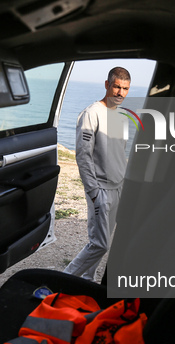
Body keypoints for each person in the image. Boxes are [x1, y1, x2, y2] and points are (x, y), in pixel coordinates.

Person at [63, 67, 131, 281]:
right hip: (100, 189)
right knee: (100, 244)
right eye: (117, 86)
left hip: (118, 188)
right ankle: (60, 283)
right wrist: (93, 191)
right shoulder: (91, 113)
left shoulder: (122, 116)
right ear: (107, 85)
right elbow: (83, 155)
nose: (120, 93)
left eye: (125, 88)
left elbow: (120, 153)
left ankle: (88, 280)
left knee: (101, 242)